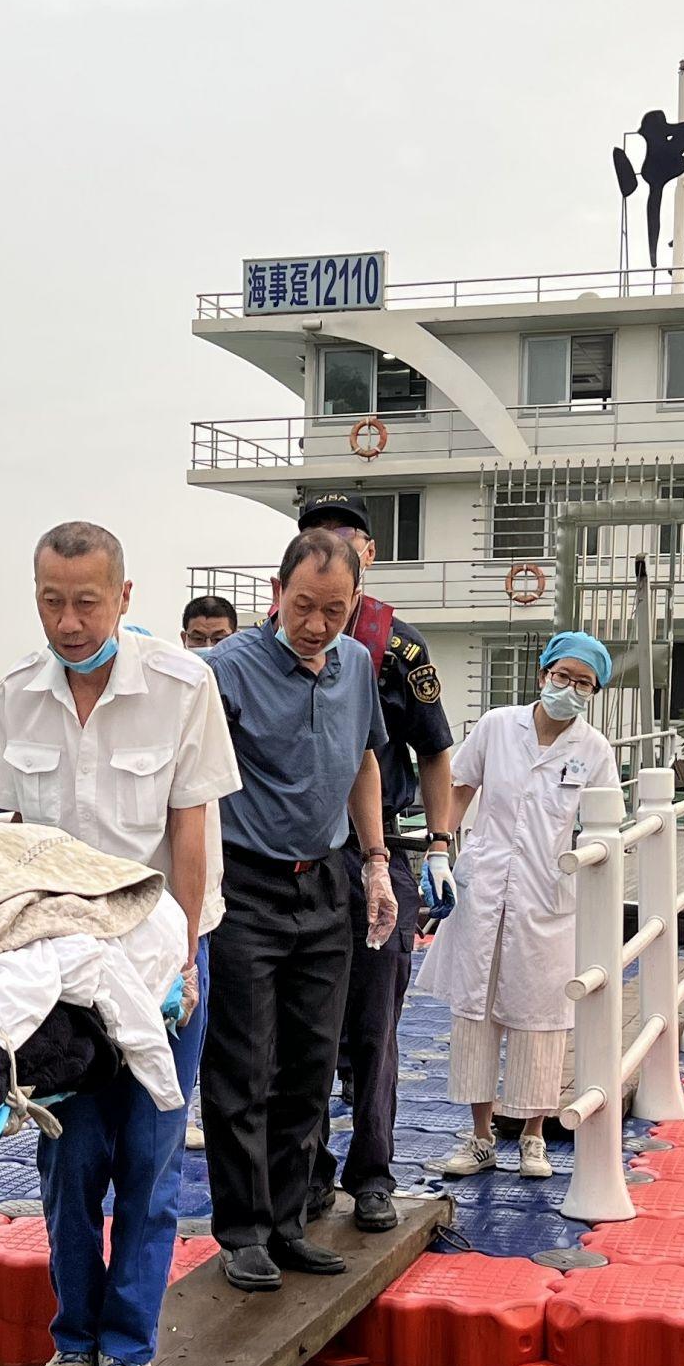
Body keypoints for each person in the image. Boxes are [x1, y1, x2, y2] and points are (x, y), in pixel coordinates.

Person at [0, 522, 238, 1366]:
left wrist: (191, 956)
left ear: (124, 598)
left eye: (87, 601)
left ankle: (130, 1351)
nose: (69, 620)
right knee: (69, 1159)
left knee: (150, 1154)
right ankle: (75, 1341)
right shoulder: (18, 694)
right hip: (57, 969)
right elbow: (8, 844)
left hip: (160, 958)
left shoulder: (181, 685)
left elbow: (194, 831)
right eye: (51, 600)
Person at [200, 529, 396, 1291]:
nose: (318, 625)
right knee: (244, 1064)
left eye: (335, 610)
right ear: (277, 593)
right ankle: (241, 1230)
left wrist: (376, 862)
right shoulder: (226, 670)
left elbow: (366, 760)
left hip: (326, 882)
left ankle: (288, 1223)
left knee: (312, 1065)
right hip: (246, 883)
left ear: (355, 606)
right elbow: (187, 780)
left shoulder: (356, 665)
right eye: (305, 606)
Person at [289, 492, 456, 1231]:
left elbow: (435, 752)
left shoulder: (400, 647)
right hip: (297, 861)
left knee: (376, 1024)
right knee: (300, 1029)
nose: (331, 549)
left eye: (344, 540)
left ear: (368, 556)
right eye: (315, 539)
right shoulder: (274, 642)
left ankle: (374, 1173)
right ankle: (308, 1171)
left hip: (379, 851)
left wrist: (442, 844)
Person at [414, 631, 621, 1181]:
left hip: (547, 897)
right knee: (475, 1011)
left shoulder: (594, 750)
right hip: (483, 886)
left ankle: (532, 1136)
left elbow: (607, 828)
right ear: (543, 675)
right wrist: (438, 848)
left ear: (593, 691)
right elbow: (458, 786)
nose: (569, 689)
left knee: (541, 1019)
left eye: (583, 683)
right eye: (563, 676)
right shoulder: (497, 726)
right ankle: (481, 1136)